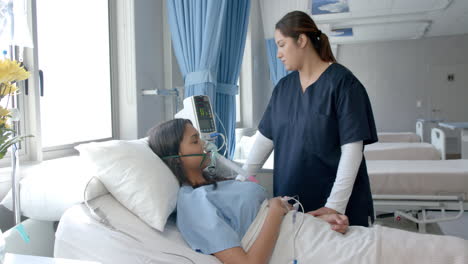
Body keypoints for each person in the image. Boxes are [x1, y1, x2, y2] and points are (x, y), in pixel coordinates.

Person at [147, 119, 468, 264]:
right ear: (175, 157)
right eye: (194, 141)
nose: (204, 144)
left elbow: (265, 223)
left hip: (317, 235)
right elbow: (247, 263)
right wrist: (275, 210)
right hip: (311, 253)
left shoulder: (218, 184)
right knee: (447, 254)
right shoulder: (193, 204)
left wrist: (316, 217)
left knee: (448, 251)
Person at [242, 10, 377, 226]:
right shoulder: (283, 88)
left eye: (281, 44)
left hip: (336, 208)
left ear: (301, 40)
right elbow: (264, 139)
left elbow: (352, 151)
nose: (278, 53)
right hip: (291, 204)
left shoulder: (344, 84)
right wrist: (241, 181)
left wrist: (334, 206)